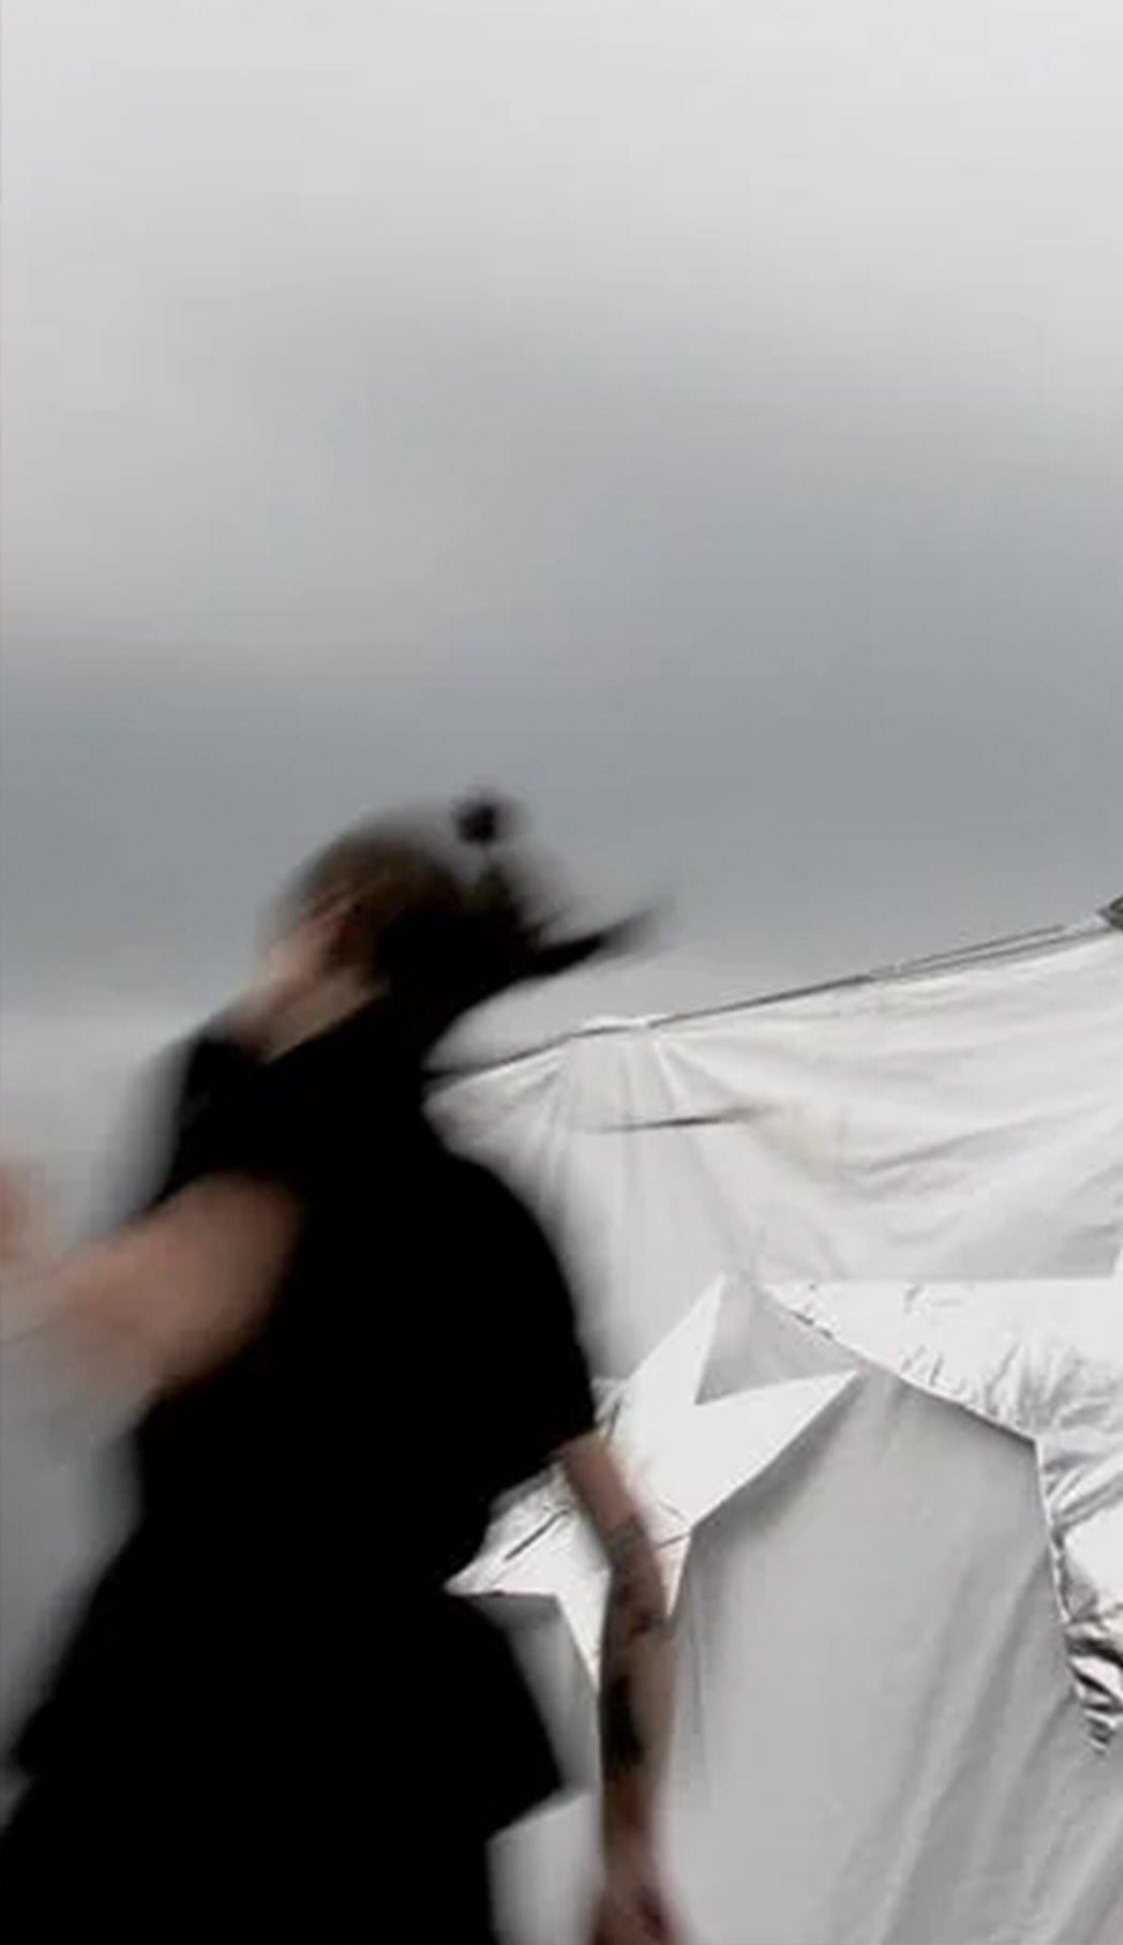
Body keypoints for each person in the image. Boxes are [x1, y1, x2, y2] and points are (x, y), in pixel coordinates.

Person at [0, 800, 679, 1945]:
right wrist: (627, 1857)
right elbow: (634, 1568)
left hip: (184, 1751)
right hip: (404, 1775)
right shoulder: (493, 1221)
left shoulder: (261, 1122)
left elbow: (152, 1325)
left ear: (324, 927)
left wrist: (27, 1248)